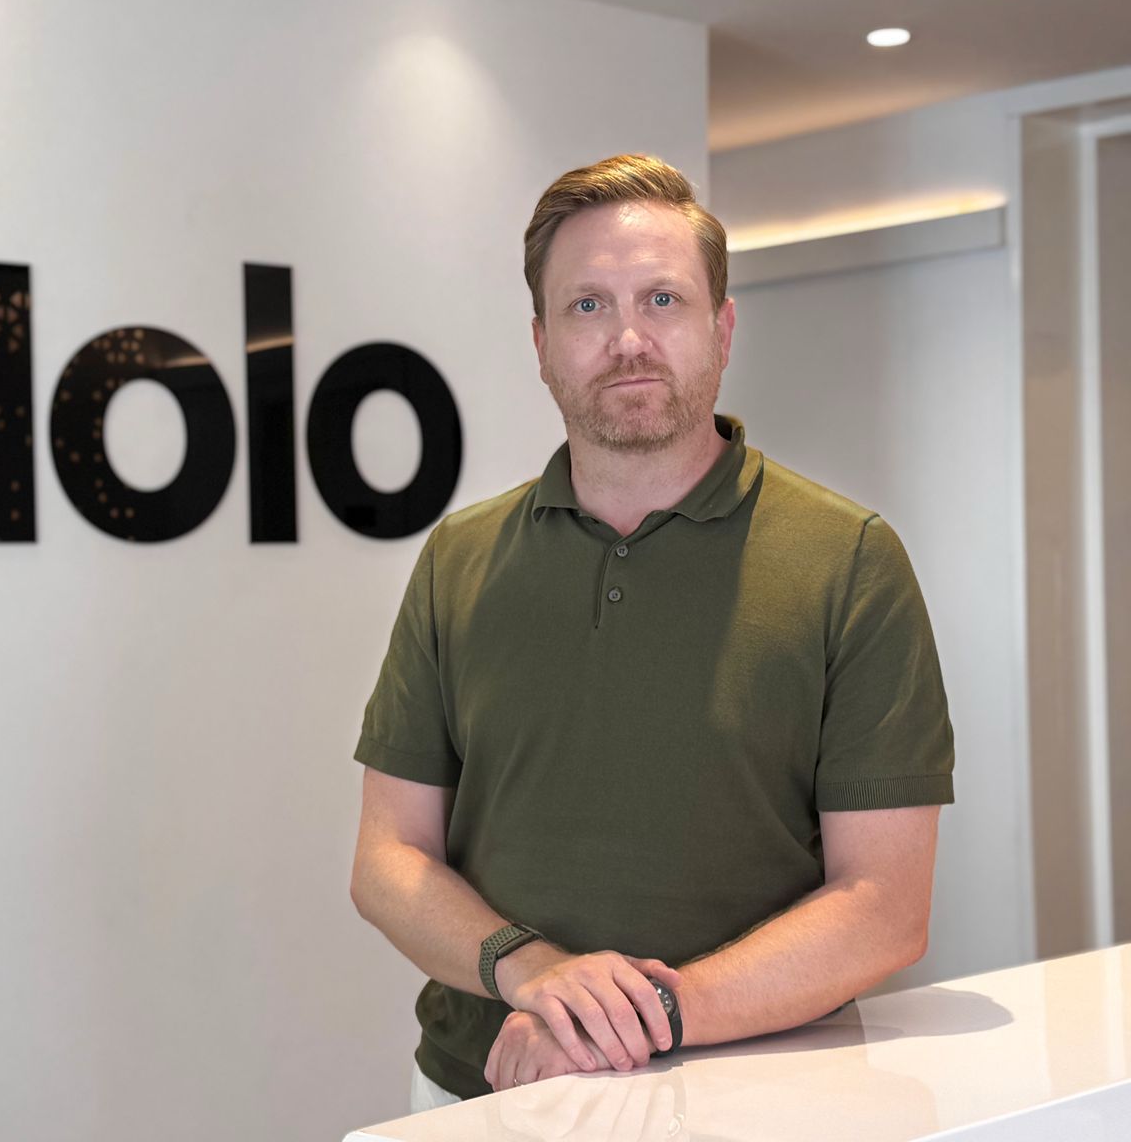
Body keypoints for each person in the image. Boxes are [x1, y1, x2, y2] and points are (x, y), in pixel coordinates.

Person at [348, 154, 954, 1111]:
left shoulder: (849, 559)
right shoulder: (458, 558)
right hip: (482, 1093)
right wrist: (533, 972)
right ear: (541, 342)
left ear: (722, 328)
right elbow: (388, 862)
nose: (628, 339)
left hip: (756, 1098)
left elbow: (885, 908)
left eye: (663, 299)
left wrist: (636, 1016)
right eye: (587, 306)